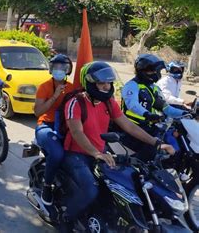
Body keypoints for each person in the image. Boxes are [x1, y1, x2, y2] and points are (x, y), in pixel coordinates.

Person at [60, 61, 175, 232]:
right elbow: (77, 132)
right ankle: (66, 219)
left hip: (100, 152)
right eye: (101, 83)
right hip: (77, 154)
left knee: (125, 184)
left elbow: (128, 126)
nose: (107, 87)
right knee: (90, 190)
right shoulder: (75, 103)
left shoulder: (109, 103)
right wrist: (96, 153)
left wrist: (157, 143)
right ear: (90, 83)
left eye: (108, 82)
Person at [121, 54, 186, 151]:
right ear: (143, 70)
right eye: (154, 70)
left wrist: (185, 113)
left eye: (158, 71)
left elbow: (166, 108)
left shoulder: (153, 88)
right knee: (154, 152)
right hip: (133, 128)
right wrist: (148, 114)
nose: (157, 73)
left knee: (174, 142)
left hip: (148, 126)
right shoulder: (132, 86)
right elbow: (132, 105)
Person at [33, 54, 75, 206]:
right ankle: (47, 185)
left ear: (68, 70)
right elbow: (37, 112)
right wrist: (55, 96)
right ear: (51, 69)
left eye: (63, 67)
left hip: (66, 125)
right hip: (46, 125)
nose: (59, 70)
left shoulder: (72, 87)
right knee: (57, 153)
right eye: (56, 67)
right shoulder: (44, 87)